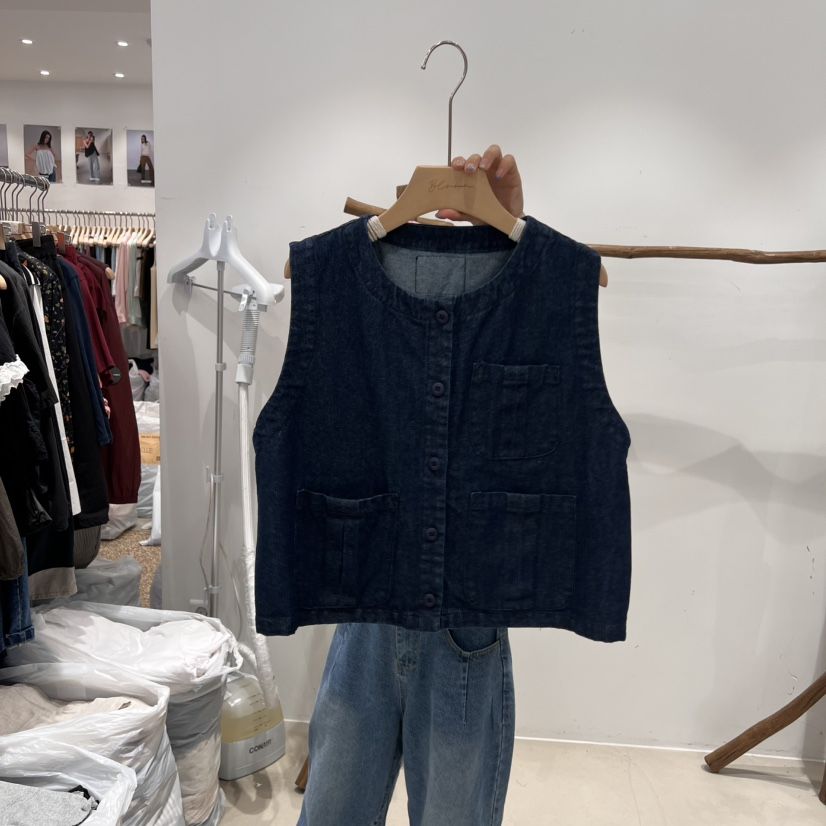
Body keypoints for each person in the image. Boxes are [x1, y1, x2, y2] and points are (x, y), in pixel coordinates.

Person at [297, 145, 525, 826]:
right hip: (369, 607)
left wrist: (514, 231)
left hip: (464, 616)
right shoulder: (342, 285)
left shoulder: (527, 303)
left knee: (452, 811)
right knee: (331, 808)